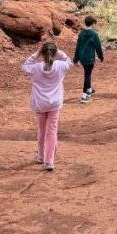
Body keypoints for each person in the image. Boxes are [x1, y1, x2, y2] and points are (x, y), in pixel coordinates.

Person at [22, 40, 73, 172]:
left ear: (42, 54)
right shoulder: (60, 65)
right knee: (52, 131)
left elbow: (25, 65)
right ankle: (49, 161)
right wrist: (59, 52)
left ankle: (41, 155)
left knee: (42, 130)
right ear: (54, 53)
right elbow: (69, 61)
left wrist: (36, 54)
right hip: (54, 103)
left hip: (40, 103)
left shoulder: (35, 67)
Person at [73, 14, 104, 103]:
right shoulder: (93, 34)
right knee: (87, 75)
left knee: (87, 73)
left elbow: (78, 46)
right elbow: (98, 46)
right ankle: (84, 96)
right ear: (93, 24)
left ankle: (89, 89)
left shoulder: (81, 33)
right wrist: (101, 56)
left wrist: (76, 59)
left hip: (82, 58)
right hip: (89, 58)